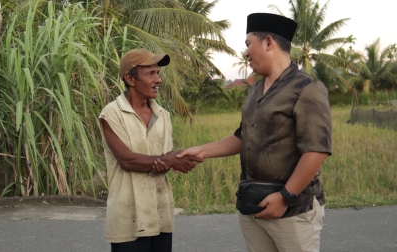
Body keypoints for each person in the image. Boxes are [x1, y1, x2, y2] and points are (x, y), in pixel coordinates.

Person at [176, 13, 332, 252]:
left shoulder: (307, 88)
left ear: (268, 42)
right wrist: (202, 151)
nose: (246, 52)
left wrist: (284, 197)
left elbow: (316, 150)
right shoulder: (255, 88)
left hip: (293, 210)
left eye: (249, 44)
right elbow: (242, 136)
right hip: (253, 206)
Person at [98, 48, 203, 252]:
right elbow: (126, 160)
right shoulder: (111, 114)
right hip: (127, 217)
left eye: (158, 73)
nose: (158, 80)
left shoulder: (162, 115)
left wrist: (174, 159)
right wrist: (171, 161)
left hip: (159, 212)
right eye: (150, 74)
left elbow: (165, 158)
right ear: (130, 78)